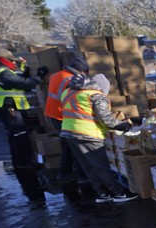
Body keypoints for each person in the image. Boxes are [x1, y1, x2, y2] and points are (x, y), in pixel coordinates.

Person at [59, 73, 137, 203]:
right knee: (100, 165)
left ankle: (102, 194)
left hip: (69, 132)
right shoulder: (96, 96)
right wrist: (123, 126)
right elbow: (107, 120)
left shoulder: (68, 92)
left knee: (87, 166)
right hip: (87, 134)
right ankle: (118, 193)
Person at [0, 48, 48, 169]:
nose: (14, 63)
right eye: (12, 60)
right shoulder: (3, 73)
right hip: (9, 109)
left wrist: (25, 74)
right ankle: (23, 163)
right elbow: (24, 84)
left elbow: (16, 83)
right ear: (4, 60)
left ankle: (19, 161)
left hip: (7, 107)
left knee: (15, 135)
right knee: (19, 135)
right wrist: (40, 76)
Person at [45, 55, 89, 184]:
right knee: (75, 146)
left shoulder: (57, 75)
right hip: (62, 115)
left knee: (67, 145)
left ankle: (64, 173)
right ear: (80, 70)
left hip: (53, 113)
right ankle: (82, 177)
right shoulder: (70, 80)